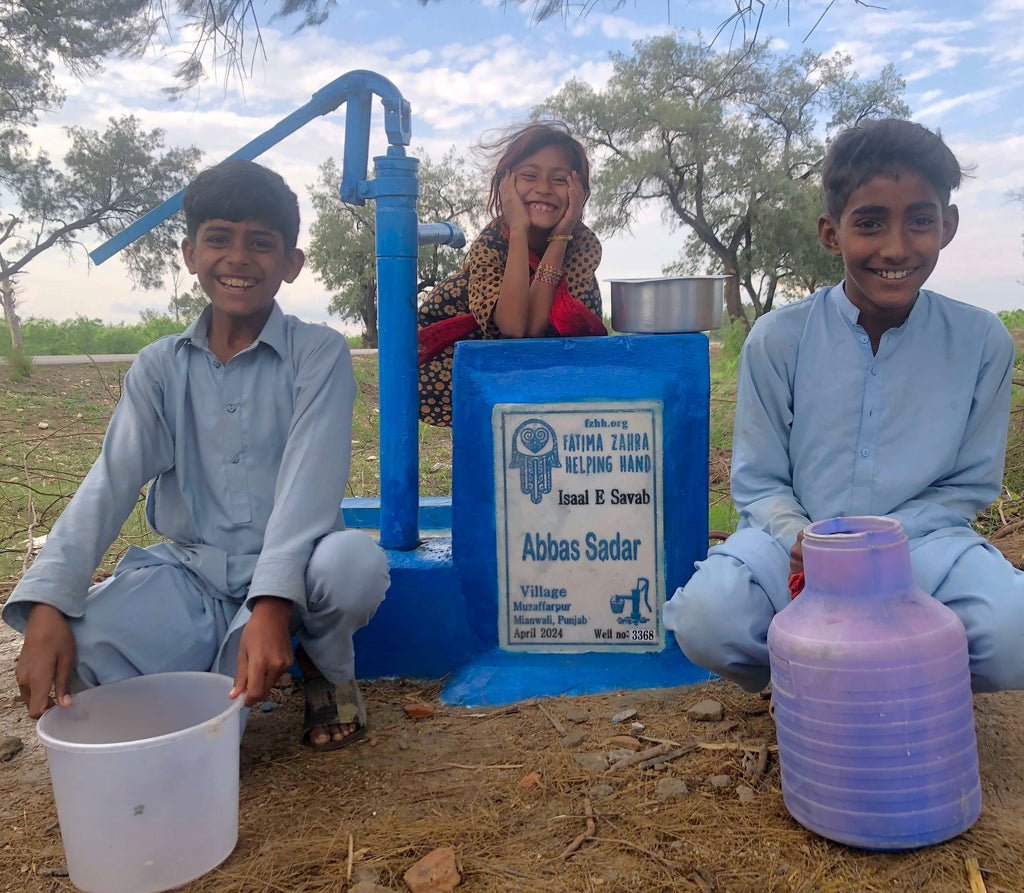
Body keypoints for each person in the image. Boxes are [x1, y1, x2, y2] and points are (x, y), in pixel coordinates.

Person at [4, 158, 390, 751]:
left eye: (260, 243)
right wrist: (49, 604)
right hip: (191, 575)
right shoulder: (159, 366)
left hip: (299, 571)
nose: (237, 258)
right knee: (81, 649)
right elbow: (110, 482)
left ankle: (324, 667)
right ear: (190, 254)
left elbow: (307, 490)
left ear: (291, 264)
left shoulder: (318, 353)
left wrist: (269, 605)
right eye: (218, 238)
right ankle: (207, 655)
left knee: (351, 566)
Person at [664, 118, 1024, 694]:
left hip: (923, 548)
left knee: (1013, 636)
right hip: (794, 547)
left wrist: (875, 544)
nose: (896, 247)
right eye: (870, 223)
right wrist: (805, 539)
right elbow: (759, 482)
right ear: (831, 234)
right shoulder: (779, 338)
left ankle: (896, 683)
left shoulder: (981, 341)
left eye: (920, 221)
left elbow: (968, 486)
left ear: (948, 226)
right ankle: (805, 678)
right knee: (709, 619)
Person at [418, 121, 606, 427]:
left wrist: (561, 236)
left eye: (559, 179)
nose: (543, 188)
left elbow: (536, 330)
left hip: (545, 371)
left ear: (579, 192)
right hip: (466, 366)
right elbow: (515, 329)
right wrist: (518, 230)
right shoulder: (490, 244)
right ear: (506, 184)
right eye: (530, 176)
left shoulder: (582, 248)